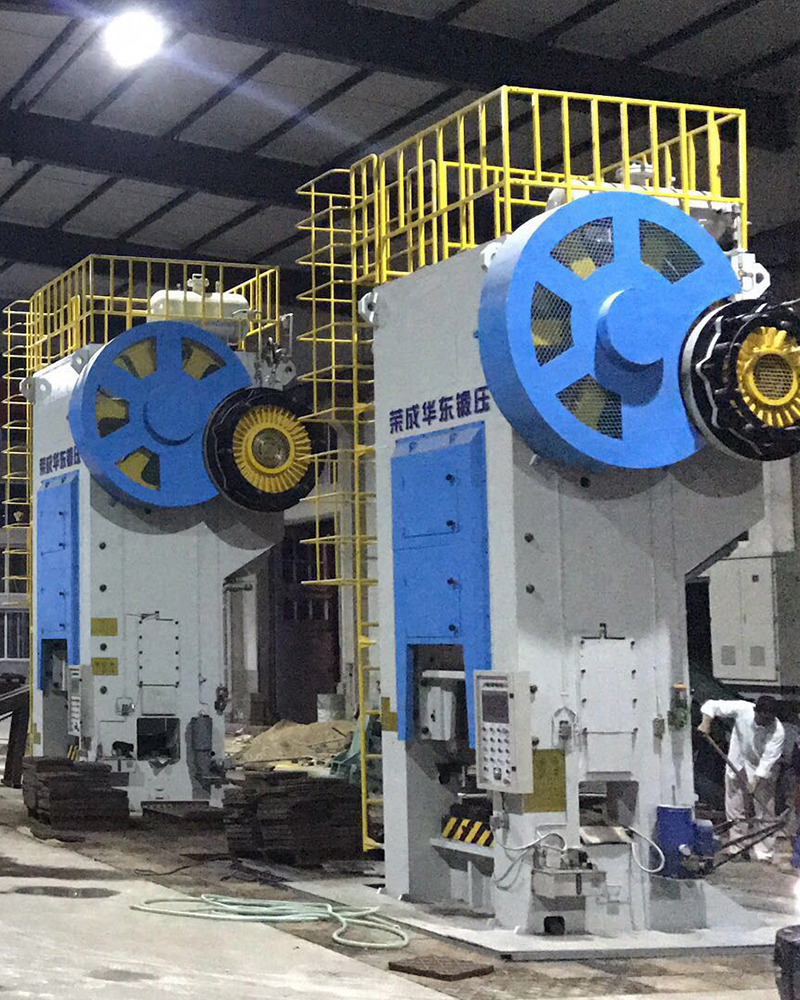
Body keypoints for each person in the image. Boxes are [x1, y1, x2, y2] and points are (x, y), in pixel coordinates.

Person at [698, 695, 785, 862]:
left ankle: (764, 852)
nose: (764, 722)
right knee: (734, 807)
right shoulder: (743, 709)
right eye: (762, 718)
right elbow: (711, 705)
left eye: (768, 719)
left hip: (761, 771)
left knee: (764, 811)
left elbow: (768, 759)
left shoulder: (777, 731)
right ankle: (737, 847)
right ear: (755, 711)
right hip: (736, 762)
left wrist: (755, 780)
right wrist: (706, 723)